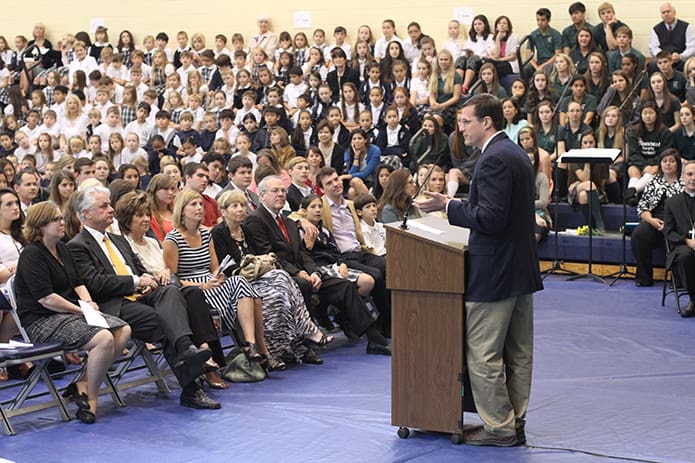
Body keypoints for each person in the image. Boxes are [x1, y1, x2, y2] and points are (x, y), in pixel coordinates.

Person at [416, 94, 543, 447]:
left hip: (495, 272)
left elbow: (490, 218)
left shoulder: (492, 160)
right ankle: (515, 421)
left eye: (466, 122)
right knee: (519, 353)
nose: (461, 128)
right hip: (520, 270)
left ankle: (500, 428)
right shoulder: (514, 153)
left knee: (483, 355)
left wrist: (452, 210)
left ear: (487, 122)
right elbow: (495, 205)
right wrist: (451, 201)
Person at [67, 186, 220, 410]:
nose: (111, 210)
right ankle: (190, 388)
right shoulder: (77, 246)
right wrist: (137, 282)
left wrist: (150, 279)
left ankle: (186, 347)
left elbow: (139, 270)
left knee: (173, 291)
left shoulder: (118, 241)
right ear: (85, 213)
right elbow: (95, 283)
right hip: (115, 304)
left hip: (141, 296)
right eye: (104, 206)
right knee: (166, 321)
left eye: (110, 205)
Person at [244, 175, 391, 355]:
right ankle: (305, 342)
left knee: (344, 285)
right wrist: (298, 272)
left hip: (304, 271)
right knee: (304, 284)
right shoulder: (256, 220)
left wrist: (312, 271)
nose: (281, 194)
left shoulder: (288, 220)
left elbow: (303, 252)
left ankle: (374, 338)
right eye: (275, 191)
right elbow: (268, 255)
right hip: (278, 276)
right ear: (261, 195)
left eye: (283, 191)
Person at [15, 201, 131, 423]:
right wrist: (80, 309)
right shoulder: (32, 254)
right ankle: (93, 398)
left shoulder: (63, 248)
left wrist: (88, 304)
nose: (62, 223)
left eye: (61, 218)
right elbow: (46, 298)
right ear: (40, 225)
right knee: (104, 338)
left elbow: (78, 283)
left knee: (123, 330)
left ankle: (83, 383)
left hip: (69, 315)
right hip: (41, 321)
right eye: (55, 220)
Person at [115, 191, 228, 388]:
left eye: (147, 214)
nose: (146, 219)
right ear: (126, 219)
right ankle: (208, 361)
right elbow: (140, 276)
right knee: (191, 296)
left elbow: (169, 270)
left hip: (171, 290)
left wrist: (165, 273)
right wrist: (159, 276)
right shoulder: (124, 245)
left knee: (193, 295)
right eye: (139, 215)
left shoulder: (152, 242)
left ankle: (204, 351)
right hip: (154, 295)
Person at [212, 190, 329, 366]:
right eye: (234, 206)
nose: (240, 210)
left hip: (256, 277)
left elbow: (258, 255)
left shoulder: (245, 230)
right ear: (224, 211)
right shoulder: (219, 233)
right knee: (278, 290)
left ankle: (290, 344)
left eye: (243, 205)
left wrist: (260, 262)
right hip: (237, 284)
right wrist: (255, 263)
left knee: (281, 282)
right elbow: (226, 268)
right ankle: (293, 342)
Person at [162, 189, 276, 368]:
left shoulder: (207, 234)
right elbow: (173, 279)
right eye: (193, 204)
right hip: (191, 289)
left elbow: (214, 266)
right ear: (182, 210)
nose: (199, 208)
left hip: (210, 281)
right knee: (249, 295)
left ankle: (250, 344)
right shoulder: (172, 240)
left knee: (240, 281)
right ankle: (257, 349)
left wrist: (219, 276)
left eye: (200, 204)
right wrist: (203, 285)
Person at [632, 149, 684, 287]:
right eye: (665, 161)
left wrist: (669, 225)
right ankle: (644, 277)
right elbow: (643, 207)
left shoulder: (684, 183)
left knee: (678, 238)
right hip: (655, 220)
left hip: (677, 222)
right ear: (660, 164)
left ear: (678, 164)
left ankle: (679, 279)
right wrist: (652, 221)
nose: (668, 164)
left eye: (672, 161)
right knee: (639, 234)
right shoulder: (654, 182)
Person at [664, 162, 695, 317]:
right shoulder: (672, 202)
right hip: (682, 246)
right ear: (682, 177)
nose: (693, 178)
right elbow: (668, 231)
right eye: (689, 174)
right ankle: (694, 300)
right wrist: (687, 241)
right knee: (684, 256)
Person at [648, 2, 695, 72]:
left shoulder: (686, 27)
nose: (666, 14)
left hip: (681, 59)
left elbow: (692, 48)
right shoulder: (656, 29)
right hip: (663, 59)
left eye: (668, 11)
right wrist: (664, 57)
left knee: (689, 65)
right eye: (663, 12)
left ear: (674, 12)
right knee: (652, 64)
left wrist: (681, 56)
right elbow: (653, 48)